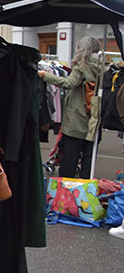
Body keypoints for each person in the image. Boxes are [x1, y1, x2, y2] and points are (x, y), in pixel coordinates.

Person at [38, 36, 103, 179]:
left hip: (76, 120)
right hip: (94, 120)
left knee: (69, 161)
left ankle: (65, 192)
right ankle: (84, 192)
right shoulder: (102, 66)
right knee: (88, 161)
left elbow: (69, 83)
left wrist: (46, 76)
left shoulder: (83, 66)